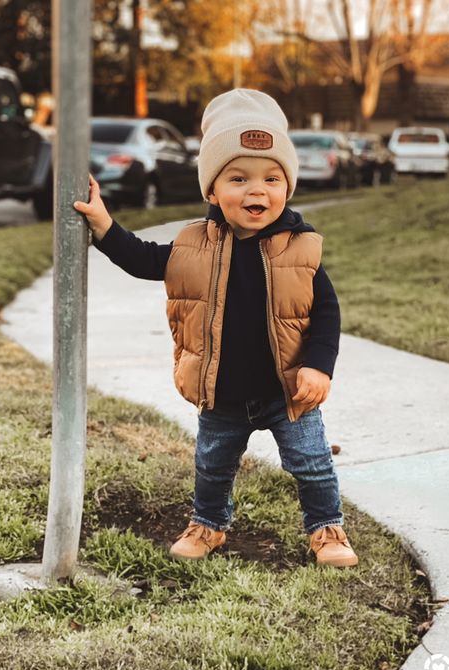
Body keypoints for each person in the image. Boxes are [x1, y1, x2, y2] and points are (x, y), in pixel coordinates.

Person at [74, 88, 358, 568]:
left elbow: (326, 314)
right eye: (238, 178)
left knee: (311, 464)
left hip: (286, 390)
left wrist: (319, 368)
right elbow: (142, 259)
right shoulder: (191, 247)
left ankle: (327, 530)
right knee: (212, 465)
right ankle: (208, 525)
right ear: (211, 189)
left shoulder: (302, 249)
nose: (257, 190)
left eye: (272, 177)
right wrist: (103, 225)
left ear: (287, 186)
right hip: (221, 393)